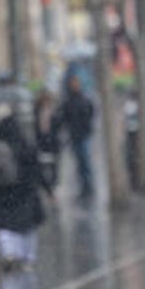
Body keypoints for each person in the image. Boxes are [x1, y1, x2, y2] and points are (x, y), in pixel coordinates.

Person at [0, 113, 50, 273]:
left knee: (5, 226)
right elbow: (38, 171)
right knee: (28, 228)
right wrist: (48, 190)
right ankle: (28, 258)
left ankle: (9, 252)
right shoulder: (28, 147)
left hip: (5, 193)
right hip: (27, 192)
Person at [57, 74, 96, 204]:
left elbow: (90, 113)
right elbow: (63, 118)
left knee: (85, 162)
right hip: (75, 136)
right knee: (80, 164)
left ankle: (88, 187)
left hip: (82, 136)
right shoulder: (68, 101)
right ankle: (85, 187)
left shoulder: (83, 99)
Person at [33, 88, 63, 193]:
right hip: (42, 139)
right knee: (43, 161)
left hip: (53, 140)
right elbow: (36, 126)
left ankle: (54, 181)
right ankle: (46, 181)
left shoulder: (55, 110)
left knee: (54, 162)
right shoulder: (36, 110)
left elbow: (59, 124)